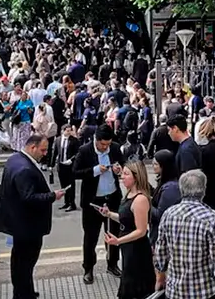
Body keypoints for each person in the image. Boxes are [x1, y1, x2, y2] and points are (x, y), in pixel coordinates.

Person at [154, 170, 215, 299]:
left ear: (181, 189)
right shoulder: (212, 218)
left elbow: (161, 252)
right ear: (203, 190)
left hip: (174, 291)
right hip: (205, 292)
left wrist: (160, 279)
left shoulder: (168, 214)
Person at [0, 134, 63, 299]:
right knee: (25, 264)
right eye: (43, 150)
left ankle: (25, 290)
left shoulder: (15, 159)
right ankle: (23, 294)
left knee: (20, 262)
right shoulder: (25, 169)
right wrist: (53, 196)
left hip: (18, 223)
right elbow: (29, 197)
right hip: (27, 226)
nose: (45, 154)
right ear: (32, 147)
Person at [72, 124, 124, 284]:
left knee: (114, 234)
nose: (105, 147)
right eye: (102, 144)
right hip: (93, 201)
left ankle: (112, 264)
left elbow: (123, 165)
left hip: (113, 198)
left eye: (108, 144)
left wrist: (119, 170)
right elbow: (75, 172)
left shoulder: (115, 148)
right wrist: (94, 170)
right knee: (90, 237)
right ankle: (88, 268)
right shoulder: (85, 150)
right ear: (96, 139)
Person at [100, 160, 156, 299]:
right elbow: (126, 219)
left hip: (137, 249)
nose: (122, 177)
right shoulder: (129, 194)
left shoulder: (140, 199)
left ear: (136, 177)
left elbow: (141, 230)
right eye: (122, 173)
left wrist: (118, 240)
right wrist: (109, 214)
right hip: (128, 247)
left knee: (135, 285)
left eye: (126, 174)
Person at [148, 149, 181, 245]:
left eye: (155, 164)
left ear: (164, 166)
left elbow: (160, 215)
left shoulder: (170, 188)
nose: (153, 166)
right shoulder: (164, 181)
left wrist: (146, 203)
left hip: (162, 236)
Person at [54, 123, 80, 211]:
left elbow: (78, 153)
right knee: (63, 185)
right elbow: (55, 152)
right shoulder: (58, 139)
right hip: (61, 165)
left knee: (71, 185)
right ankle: (66, 202)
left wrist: (71, 160)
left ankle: (72, 204)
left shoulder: (74, 140)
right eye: (67, 131)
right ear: (62, 131)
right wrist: (51, 164)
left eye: (70, 131)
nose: (69, 132)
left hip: (69, 166)